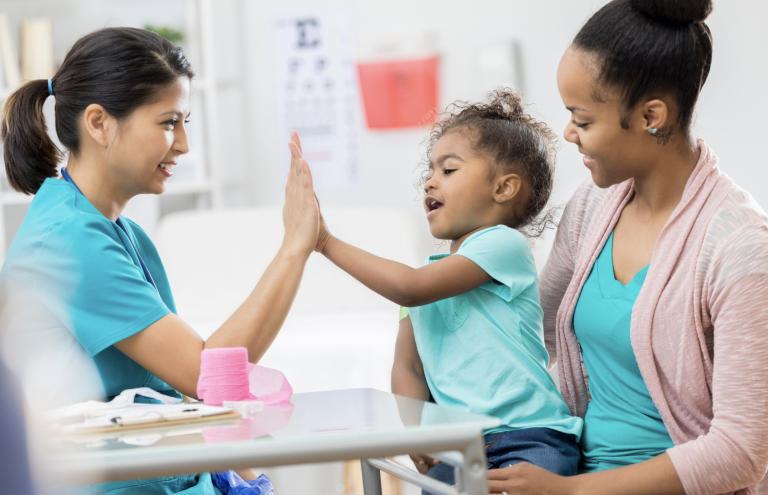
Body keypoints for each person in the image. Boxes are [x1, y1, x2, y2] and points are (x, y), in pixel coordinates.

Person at [0, 27, 319, 494]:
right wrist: (295, 247)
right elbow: (208, 373)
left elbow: (179, 387)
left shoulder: (123, 234)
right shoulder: (66, 242)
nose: (184, 144)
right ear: (99, 123)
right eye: (169, 122)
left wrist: (248, 479)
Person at [484, 1, 768, 494]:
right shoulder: (591, 209)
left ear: (651, 116)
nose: (569, 134)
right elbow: (533, 339)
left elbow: (742, 453)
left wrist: (572, 491)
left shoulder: (741, 250)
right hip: (570, 471)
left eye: (584, 119)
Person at [309, 89, 583, 490]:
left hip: (530, 433)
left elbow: (409, 287)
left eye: (449, 170)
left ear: (504, 189)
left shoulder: (502, 245)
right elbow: (408, 368)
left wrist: (325, 242)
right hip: (458, 445)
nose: (430, 182)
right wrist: (419, 431)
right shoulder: (422, 281)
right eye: (430, 172)